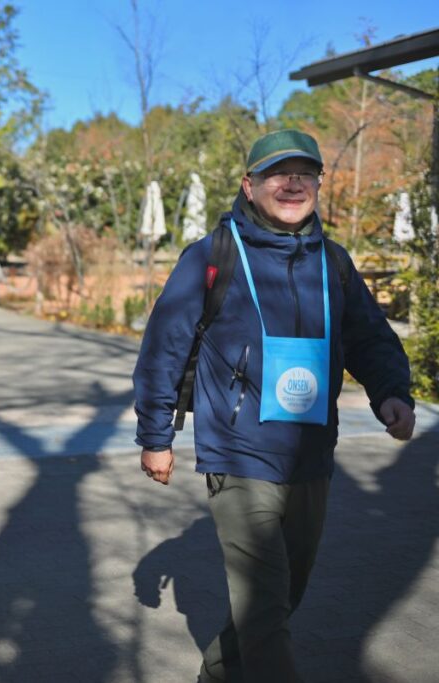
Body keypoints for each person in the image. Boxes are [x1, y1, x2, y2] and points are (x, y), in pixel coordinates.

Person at [132, 129, 416, 683]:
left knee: (282, 598)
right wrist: (155, 435)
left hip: (311, 451)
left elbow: (369, 336)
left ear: (316, 185)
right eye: (278, 173)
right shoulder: (212, 255)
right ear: (249, 184)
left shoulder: (333, 261)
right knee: (264, 603)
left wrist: (391, 394)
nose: (292, 183)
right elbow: (164, 345)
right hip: (238, 452)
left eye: (304, 174)